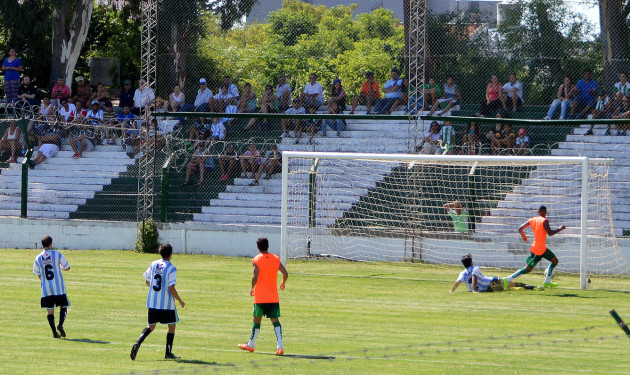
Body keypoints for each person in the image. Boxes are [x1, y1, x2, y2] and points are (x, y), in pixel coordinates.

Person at [130, 243, 185, 361]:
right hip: (167, 304)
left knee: (151, 326)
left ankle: (138, 343)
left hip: (153, 302)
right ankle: (168, 353)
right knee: (171, 326)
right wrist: (180, 300)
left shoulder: (154, 264)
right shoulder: (171, 268)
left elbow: (147, 282)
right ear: (171, 254)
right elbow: (171, 288)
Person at [238, 237, 288, 355]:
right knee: (275, 320)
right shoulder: (275, 259)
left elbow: (255, 276)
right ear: (268, 246)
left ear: (258, 247)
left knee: (257, 320)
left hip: (260, 297)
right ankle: (279, 347)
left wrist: (252, 288)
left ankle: (251, 345)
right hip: (273, 296)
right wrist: (283, 282)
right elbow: (285, 273)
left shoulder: (257, 259)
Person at [503, 205, 566, 289]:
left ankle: (547, 281)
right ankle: (507, 280)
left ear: (538, 212)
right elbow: (550, 233)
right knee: (527, 269)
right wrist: (560, 228)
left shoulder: (532, 219)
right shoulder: (544, 220)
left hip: (536, 247)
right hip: (540, 250)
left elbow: (520, 228)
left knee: (554, 261)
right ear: (545, 212)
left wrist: (523, 236)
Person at [33, 235, 70, 338]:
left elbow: (37, 273)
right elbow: (67, 267)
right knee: (64, 306)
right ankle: (60, 325)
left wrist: (44, 281)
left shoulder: (38, 257)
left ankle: (54, 332)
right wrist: (61, 268)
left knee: (50, 310)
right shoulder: (57, 254)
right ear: (51, 244)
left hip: (46, 289)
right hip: (59, 288)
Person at [450, 254, 539, 293]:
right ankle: (529, 287)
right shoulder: (475, 268)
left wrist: (452, 290)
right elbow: (474, 276)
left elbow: (458, 281)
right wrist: (474, 290)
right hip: (491, 282)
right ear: (471, 262)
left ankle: (516, 287)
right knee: (507, 283)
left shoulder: (462, 273)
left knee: (505, 285)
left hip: (485, 289)